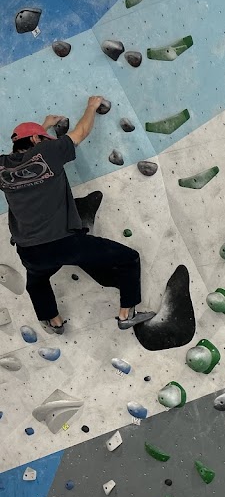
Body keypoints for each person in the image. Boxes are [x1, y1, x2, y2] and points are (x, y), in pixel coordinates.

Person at [1, 98, 154, 334]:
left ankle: (54, 322)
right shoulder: (47, 153)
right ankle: (127, 314)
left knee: (37, 281)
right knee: (129, 258)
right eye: (43, 138)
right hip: (64, 243)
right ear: (35, 140)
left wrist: (42, 127)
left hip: (30, 251)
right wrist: (91, 106)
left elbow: (26, 152)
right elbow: (80, 132)